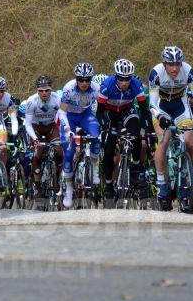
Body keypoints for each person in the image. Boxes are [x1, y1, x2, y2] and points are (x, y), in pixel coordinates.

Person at [148, 46, 193, 212]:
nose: (175, 68)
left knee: (190, 142)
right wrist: (160, 117)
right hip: (161, 108)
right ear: (164, 63)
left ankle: (187, 176)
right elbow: (152, 103)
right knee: (164, 139)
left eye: (177, 64)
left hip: (181, 106)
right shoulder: (156, 72)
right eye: (170, 64)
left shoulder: (189, 71)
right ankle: (161, 183)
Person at [96, 59, 150, 202]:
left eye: (127, 78)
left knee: (136, 135)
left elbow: (144, 110)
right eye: (121, 78)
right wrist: (104, 127)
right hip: (110, 112)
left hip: (127, 110)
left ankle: (136, 169)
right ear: (116, 76)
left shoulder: (137, 85)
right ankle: (108, 184)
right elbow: (100, 112)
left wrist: (145, 128)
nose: (124, 82)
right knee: (109, 149)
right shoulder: (106, 86)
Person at [57, 62, 101, 208]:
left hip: (85, 115)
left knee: (96, 135)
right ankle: (69, 189)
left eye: (87, 79)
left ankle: (94, 168)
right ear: (76, 79)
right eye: (81, 80)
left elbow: (99, 110)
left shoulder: (95, 88)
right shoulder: (69, 89)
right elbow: (62, 112)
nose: (84, 83)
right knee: (69, 153)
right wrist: (68, 129)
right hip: (69, 116)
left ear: (91, 79)